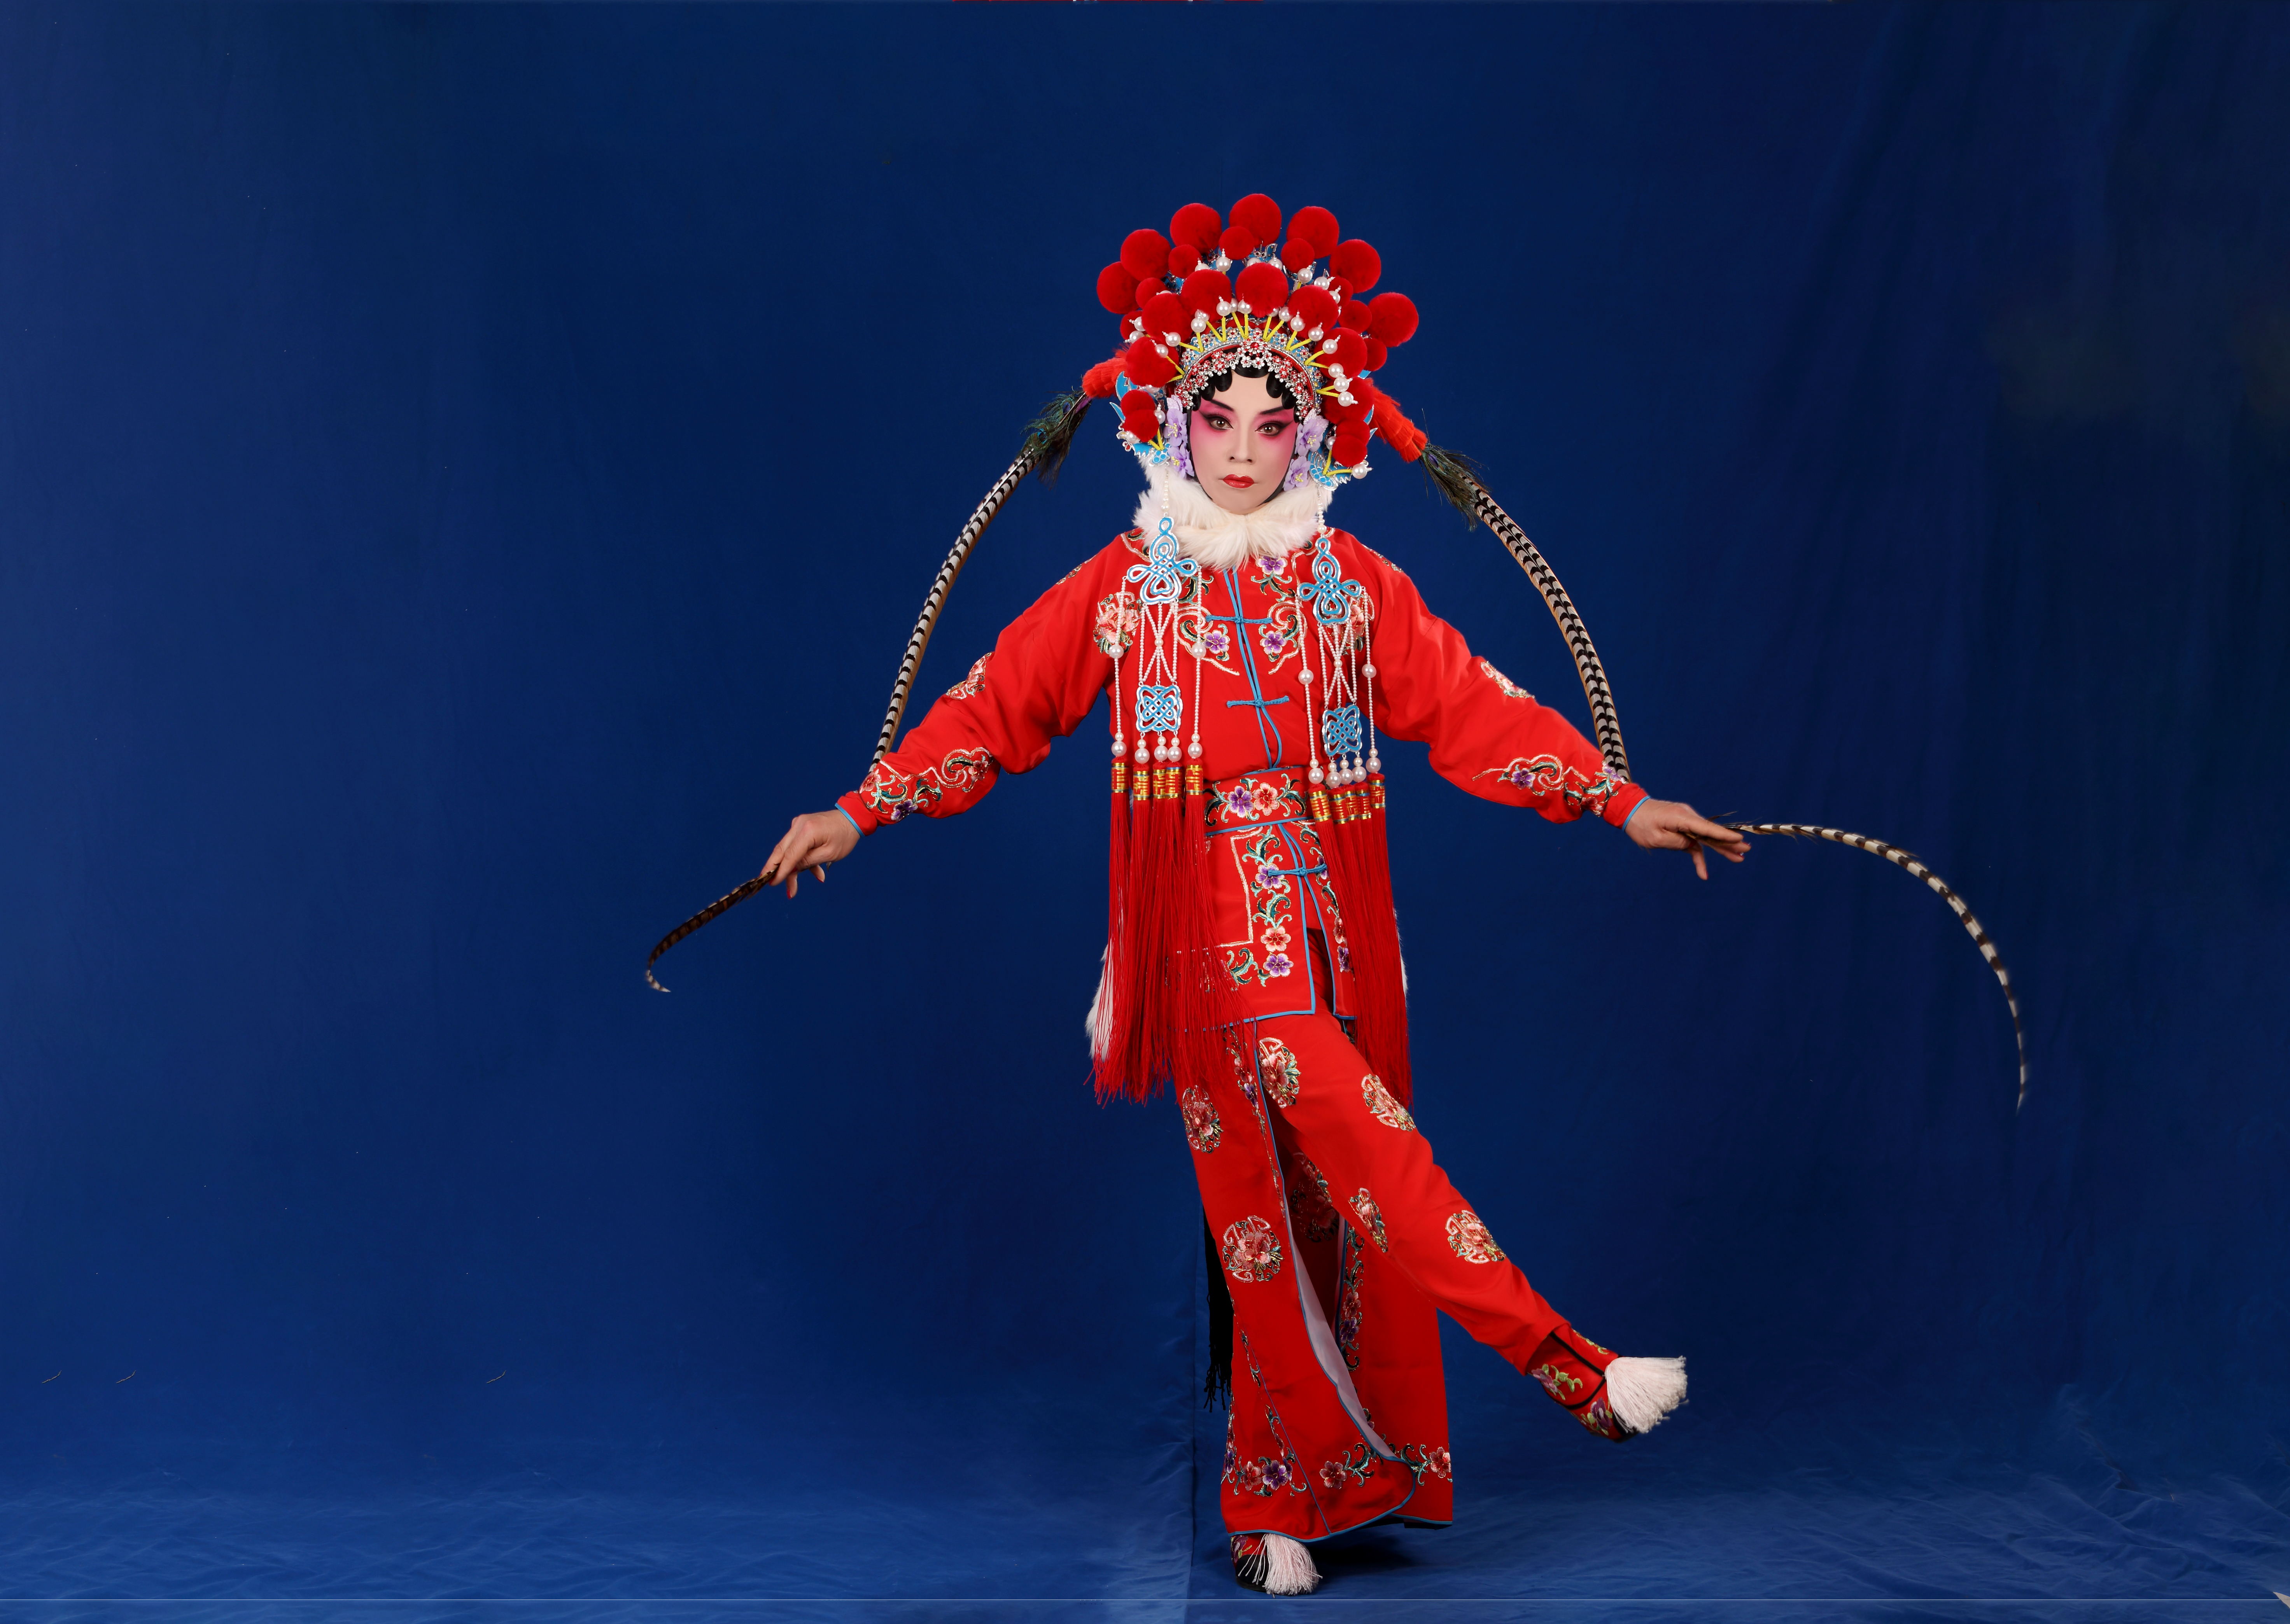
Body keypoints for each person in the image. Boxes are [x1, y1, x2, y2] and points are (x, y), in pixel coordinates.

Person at [753, 196, 1746, 1596]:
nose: (1237, 450)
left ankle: (1279, 1490)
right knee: (1334, 1164)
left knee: (1283, 1209)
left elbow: (1469, 705)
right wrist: (862, 808)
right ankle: (1569, 1364)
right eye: (1214, 422)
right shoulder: (1126, 589)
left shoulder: (1350, 586)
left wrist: (1614, 797)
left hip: (1333, 923)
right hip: (1200, 930)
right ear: (1173, 426)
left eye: (1268, 426)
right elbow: (997, 705)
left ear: (1309, 437)